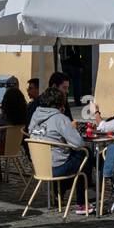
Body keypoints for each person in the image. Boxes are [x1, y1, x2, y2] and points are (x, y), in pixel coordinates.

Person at [28, 86, 91, 215]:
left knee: (73, 157)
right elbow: (78, 143)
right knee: (85, 154)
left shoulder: (35, 115)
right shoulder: (60, 119)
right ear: (61, 103)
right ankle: (82, 202)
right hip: (56, 168)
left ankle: (59, 193)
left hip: (39, 167)